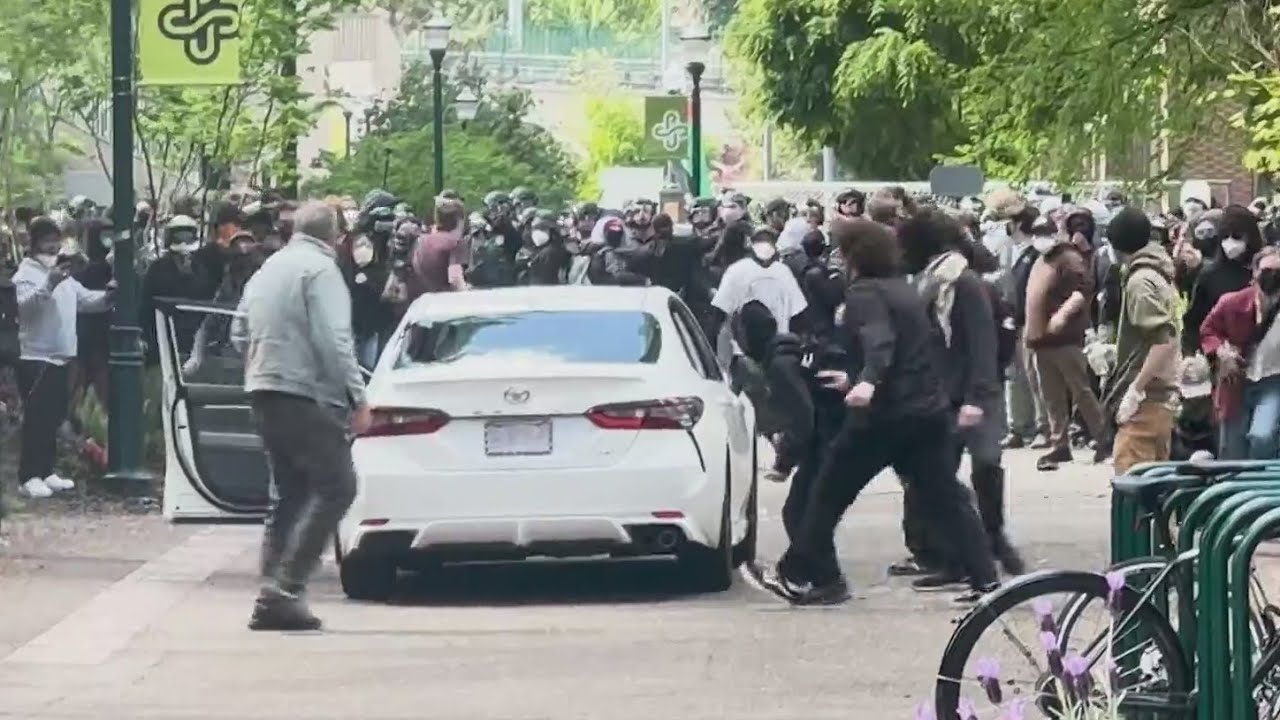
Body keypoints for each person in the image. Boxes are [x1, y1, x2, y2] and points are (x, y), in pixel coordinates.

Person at [744, 218, 999, 606]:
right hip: (924, 412)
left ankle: (807, 573)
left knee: (826, 494)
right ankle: (986, 579)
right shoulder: (905, 290)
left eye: (841, 252)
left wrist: (867, 382)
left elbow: (881, 341)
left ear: (854, 256)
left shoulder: (864, 293)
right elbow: (912, 347)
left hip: (883, 416)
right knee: (947, 497)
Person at [231, 201, 368, 631]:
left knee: (288, 492)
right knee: (338, 485)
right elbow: (334, 339)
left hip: (263, 388)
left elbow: (239, 330)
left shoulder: (268, 269)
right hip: (305, 392)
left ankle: (271, 589)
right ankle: (286, 587)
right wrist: (357, 397)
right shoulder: (322, 272)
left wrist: (262, 363)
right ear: (335, 235)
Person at [13, 217, 111, 499]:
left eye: (55, 240)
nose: (53, 246)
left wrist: (108, 298)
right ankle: (28, 476)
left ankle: (46, 471)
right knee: (37, 418)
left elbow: (84, 300)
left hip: (62, 356)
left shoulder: (64, 276)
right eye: (46, 241)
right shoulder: (25, 276)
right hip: (35, 356)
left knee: (54, 416)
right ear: (33, 245)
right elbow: (26, 309)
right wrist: (48, 284)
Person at [1023, 214, 1111, 470]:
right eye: (1037, 233)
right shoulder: (1041, 260)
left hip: (1065, 338)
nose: (1040, 238)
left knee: (1080, 390)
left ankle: (1103, 437)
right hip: (1041, 340)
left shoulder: (1068, 258)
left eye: (1045, 232)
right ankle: (1059, 443)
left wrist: (1063, 314)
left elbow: (1083, 289)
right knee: (1051, 395)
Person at [1105, 208, 1180, 474]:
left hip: (1147, 397)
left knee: (1131, 478)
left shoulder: (1140, 281)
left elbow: (1163, 340)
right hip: (1161, 395)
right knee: (1155, 485)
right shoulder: (1159, 273)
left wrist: (1135, 390)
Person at [1200, 246, 1280, 458]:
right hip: (1237, 380)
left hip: (1272, 381)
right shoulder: (1232, 302)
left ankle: (1260, 483)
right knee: (1232, 445)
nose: (1273, 277)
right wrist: (1221, 351)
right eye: (1267, 271)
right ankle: (1232, 485)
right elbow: (1208, 330)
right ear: (1254, 274)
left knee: (1262, 436)